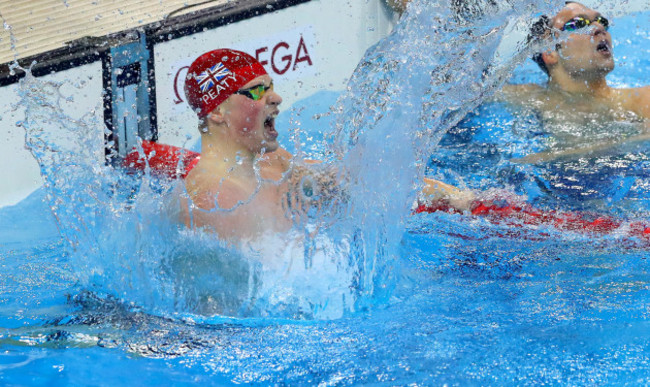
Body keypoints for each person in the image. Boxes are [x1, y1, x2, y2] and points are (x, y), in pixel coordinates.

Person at [178, 49, 461, 244]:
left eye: (271, 87)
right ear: (217, 112)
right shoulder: (210, 203)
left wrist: (459, 199)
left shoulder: (269, 163)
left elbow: (346, 183)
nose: (275, 97)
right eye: (256, 90)